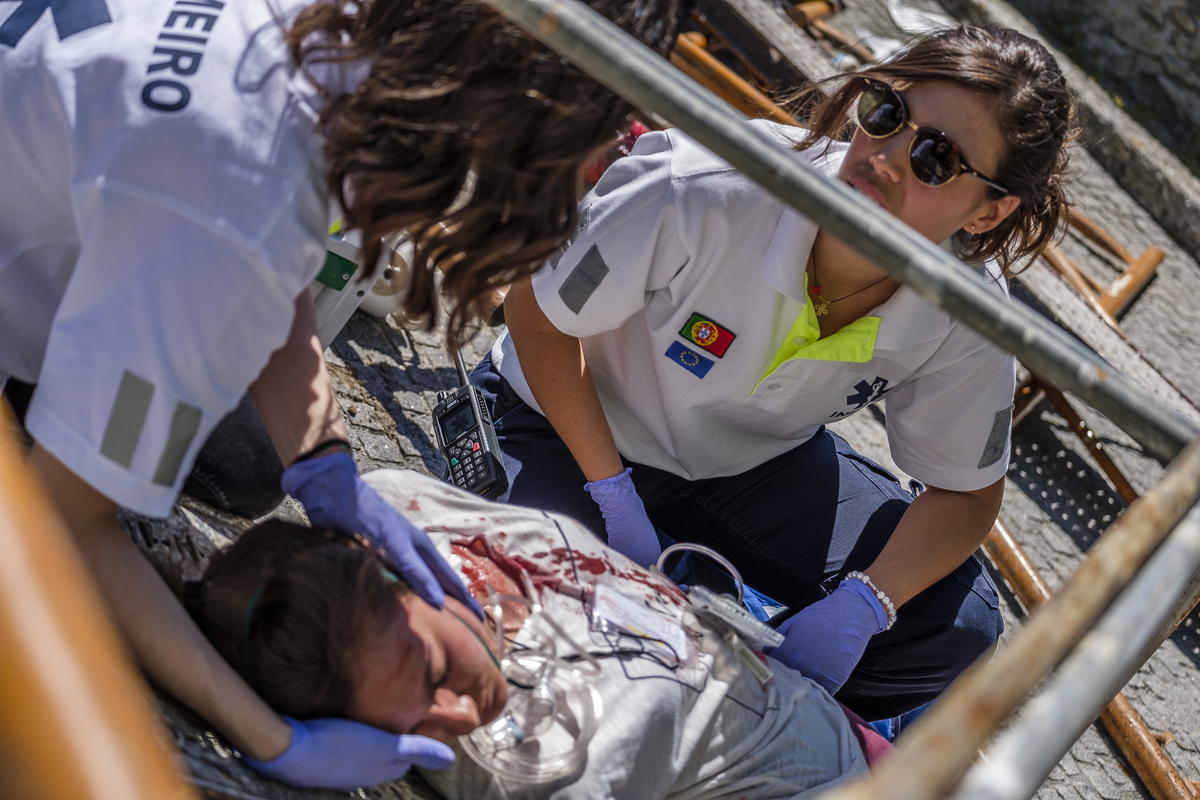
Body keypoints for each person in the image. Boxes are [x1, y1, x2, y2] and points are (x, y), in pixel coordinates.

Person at [1, 0, 684, 786]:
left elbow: (269, 245)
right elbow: (61, 524)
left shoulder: (341, 35)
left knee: (249, 459)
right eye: (583, 151)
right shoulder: (241, 192)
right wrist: (269, 738)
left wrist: (323, 458)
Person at [472, 24, 1076, 721]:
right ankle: (679, 618)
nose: (885, 157)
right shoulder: (708, 186)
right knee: (537, 614)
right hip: (564, 427)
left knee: (956, 625)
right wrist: (612, 494)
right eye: (885, 112)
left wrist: (866, 603)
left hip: (748, 469)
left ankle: (749, 702)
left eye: (936, 157)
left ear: (991, 209)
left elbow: (967, 496)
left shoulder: (969, 307)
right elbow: (537, 312)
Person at [193, 469, 883, 796]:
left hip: (804, 700)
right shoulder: (548, 765)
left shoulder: (398, 505)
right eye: (411, 725)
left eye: (436, 671)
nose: (459, 714)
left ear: (394, 568)